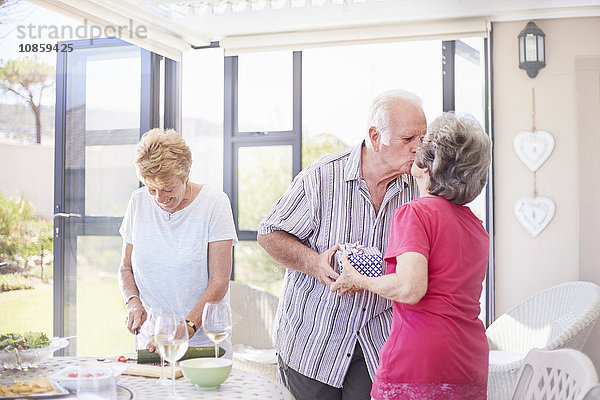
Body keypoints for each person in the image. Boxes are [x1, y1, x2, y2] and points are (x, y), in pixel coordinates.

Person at [257, 89, 427, 399]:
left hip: (376, 347)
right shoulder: (322, 177)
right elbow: (269, 234)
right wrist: (314, 262)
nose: (419, 148)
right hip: (313, 345)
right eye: (408, 139)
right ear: (375, 137)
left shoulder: (418, 189)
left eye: (423, 138)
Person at [331, 112, 491, 400]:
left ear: (428, 166)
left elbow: (410, 287)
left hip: (420, 361)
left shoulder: (415, 213)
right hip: (470, 361)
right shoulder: (477, 227)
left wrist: (358, 280)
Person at [118, 128, 237, 353]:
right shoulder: (138, 202)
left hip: (204, 344)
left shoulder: (214, 204)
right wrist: (132, 301)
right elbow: (125, 267)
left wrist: (187, 328)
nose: (159, 199)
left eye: (167, 189)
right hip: (152, 341)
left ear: (185, 176)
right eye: (151, 189)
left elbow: (219, 281)